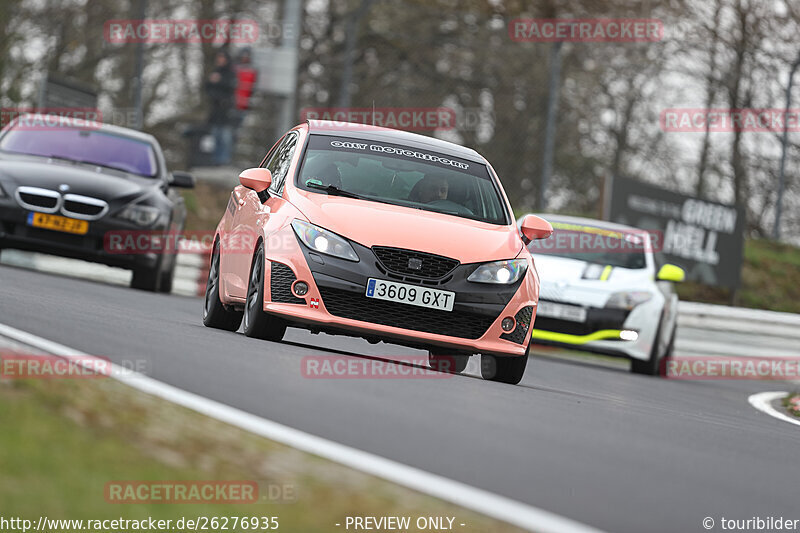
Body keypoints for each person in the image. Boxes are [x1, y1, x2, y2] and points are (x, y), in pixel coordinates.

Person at [205, 50, 237, 165]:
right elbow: (207, 88)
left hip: (226, 110)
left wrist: (218, 81)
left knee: (225, 137)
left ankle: (224, 160)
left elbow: (230, 87)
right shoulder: (215, 72)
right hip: (215, 110)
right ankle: (215, 160)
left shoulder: (230, 74)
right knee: (215, 136)